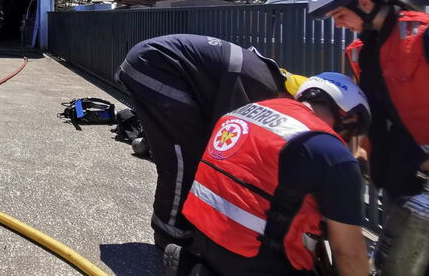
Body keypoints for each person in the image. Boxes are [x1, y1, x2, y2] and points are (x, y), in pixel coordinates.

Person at [173, 73, 371, 276]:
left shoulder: (242, 112)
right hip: (256, 258)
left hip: (201, 233)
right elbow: (348, 254)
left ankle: (201, 268)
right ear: (351, 118)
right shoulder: (330, 150)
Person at [114, 34, 299, 249]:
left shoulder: (263, 72)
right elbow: (232, 134)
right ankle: (170, 234)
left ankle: (179, 220)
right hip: (153, 66)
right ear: (290, 96)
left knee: (189, 146)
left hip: (150, 62)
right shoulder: (262, 85)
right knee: (183, 158)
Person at [306, 0, 429, 200]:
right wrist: (364, 150)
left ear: (364, 3)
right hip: (401, 173)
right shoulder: (359, 53)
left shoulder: (423, 35)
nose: (338, 25)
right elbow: (376, 109)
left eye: (339, 15)